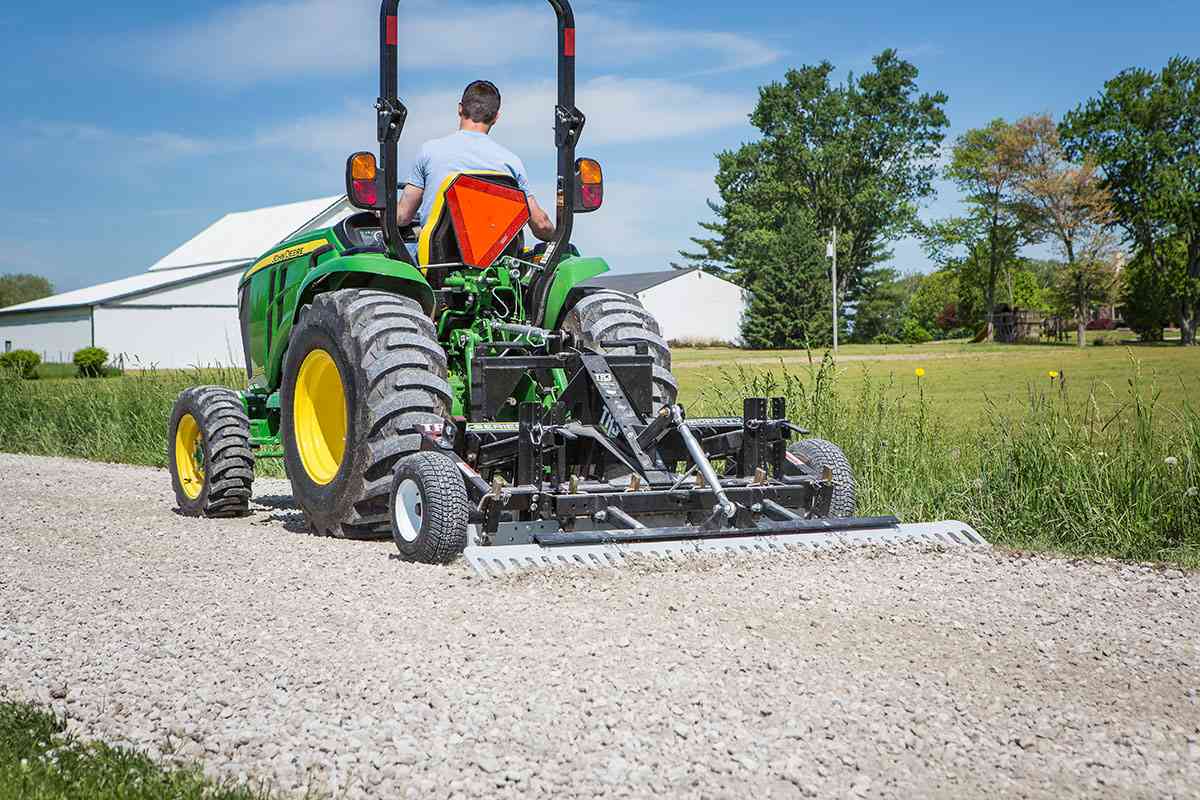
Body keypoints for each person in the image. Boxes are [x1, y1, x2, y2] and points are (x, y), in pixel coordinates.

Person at [396, 80, 556, 255]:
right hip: (497, 269)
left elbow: (403, 216)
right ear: (495, 117)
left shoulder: (429, 152)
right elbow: (540, 223)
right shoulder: (510, 163)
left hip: (438, 265)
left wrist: (382, 212)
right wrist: (558, 237)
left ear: (460, 109)